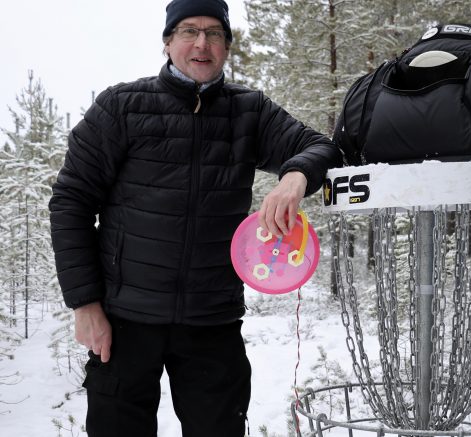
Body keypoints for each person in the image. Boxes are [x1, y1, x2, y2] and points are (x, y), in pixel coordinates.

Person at [48, 0, 340, 436]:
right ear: (168, 42)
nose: (202, 43)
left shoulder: (249, 111)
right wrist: (85, 304)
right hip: (124, 319)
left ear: (226, 45)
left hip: (212, 321)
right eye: (188, 31)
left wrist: (294, 177)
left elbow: (320, 146)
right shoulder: (121, 107)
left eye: (214, 33)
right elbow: (70, 202)